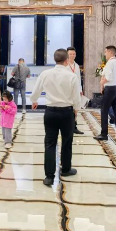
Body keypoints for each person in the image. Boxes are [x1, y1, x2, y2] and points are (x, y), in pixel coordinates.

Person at [30, 49, 80, 186]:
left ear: (55, 59)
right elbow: (76, 97)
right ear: (67, 60)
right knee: (67, 141)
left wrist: (34, 100)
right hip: (67, 112)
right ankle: (66, 169)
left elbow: (36, 91)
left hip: (50, 112)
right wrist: (76, 109)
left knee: (50, 143)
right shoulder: (72, 76)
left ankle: (49, 176)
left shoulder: (45, 74)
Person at [94, 46, 116, 142]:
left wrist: (101, 83)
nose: (105, 54)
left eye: (106, 52)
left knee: (104, 110)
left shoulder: (110, 63)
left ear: (110, 52)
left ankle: (104, 134)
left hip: (110, 88)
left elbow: (108, 77)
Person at [66, 47, 84, 135]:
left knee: (76, 109)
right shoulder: (65, 65)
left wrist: (80, 89)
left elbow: (79, 79)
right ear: (67, 54)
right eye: (70, 54)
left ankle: (74, 127)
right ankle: (67, 127)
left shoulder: (76, 65)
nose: (72, 56)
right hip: (67, 90)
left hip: (76, 90)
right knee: (67, 108)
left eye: (73, 54)